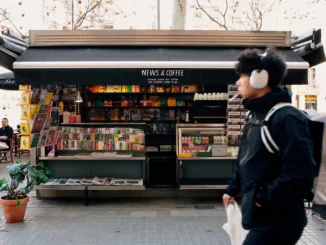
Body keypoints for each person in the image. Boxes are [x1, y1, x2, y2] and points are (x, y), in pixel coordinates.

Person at [222, 48, 316, 245]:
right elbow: (245, 159)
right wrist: (232, 189)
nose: (238, 82)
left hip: (280, 220)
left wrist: (262, 198)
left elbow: (302, 172)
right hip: (259, 216)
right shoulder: (254, 116)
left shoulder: (287, 117)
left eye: (242, 76)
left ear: (260, 78)